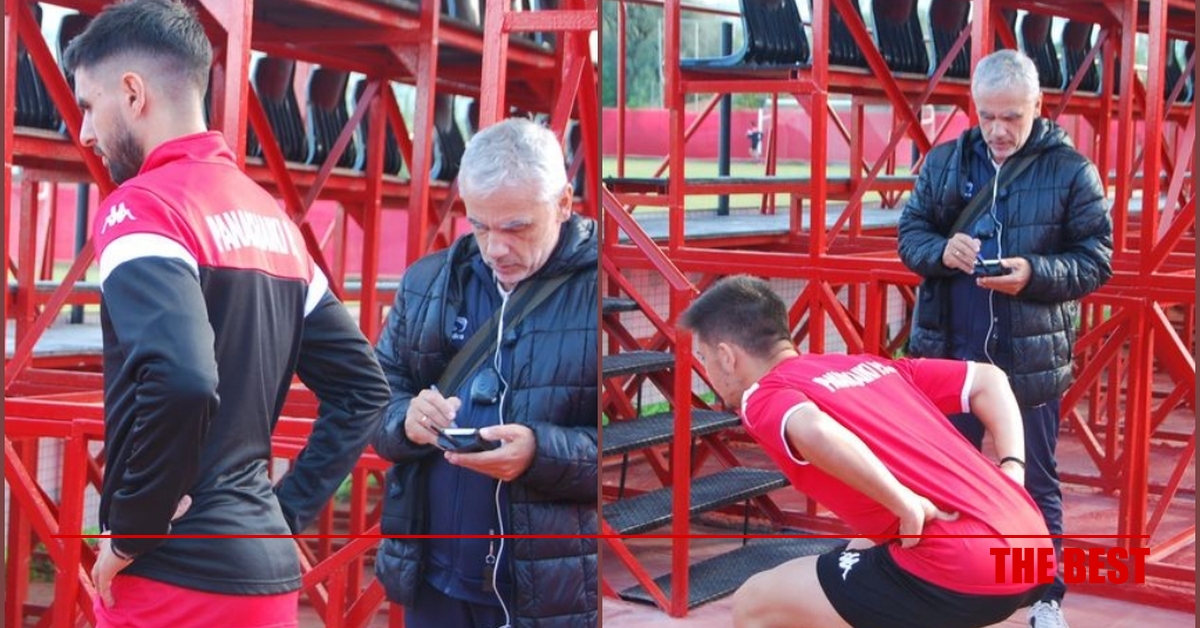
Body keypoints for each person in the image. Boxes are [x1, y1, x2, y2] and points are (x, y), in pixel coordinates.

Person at [64, 1, 390, 625]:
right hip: (263, 579)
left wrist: (133, 530)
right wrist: (281, 514)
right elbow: (364, 390)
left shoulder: (143, 208)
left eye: (88, 105)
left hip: (170, 581)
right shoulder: (273, 221)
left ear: (132, 93)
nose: (85, 133)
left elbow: (184, 378)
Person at [679, 275, 1054, 628]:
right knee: (857, 557)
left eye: (704, 357)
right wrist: (1013, 468)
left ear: (727, 356)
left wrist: (902, 501)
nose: (705, 369)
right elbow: (988, 379)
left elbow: (813, 428)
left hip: (964, 566)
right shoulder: (867, 366)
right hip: (1034, 553)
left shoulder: (763, 394)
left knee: (755, 602)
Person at [897, 49, 1112, 628]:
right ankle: (944, 589)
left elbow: (1096, 259)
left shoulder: (1072, 171)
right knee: (943, 477)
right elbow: (911, 233)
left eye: (1012, 117)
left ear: (1037, 106)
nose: (997, 129)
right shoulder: (945, 162)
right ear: (975, 107)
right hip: (953, 359)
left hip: (1030, 361)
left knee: (1037, 481)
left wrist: (1034, 274)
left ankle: (1045, 597)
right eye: (987, 115)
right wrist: (942, 251)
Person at [372, 118, 598, 628]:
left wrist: (539, 454)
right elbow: (373, 398)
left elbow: (633, 456)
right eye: (479, 226)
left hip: (552, 596)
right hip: (435, 583)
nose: (495, 247)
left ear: (563, 203)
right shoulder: (428, 281)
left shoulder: (604, 290)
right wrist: (406, 418)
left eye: (516, 228)